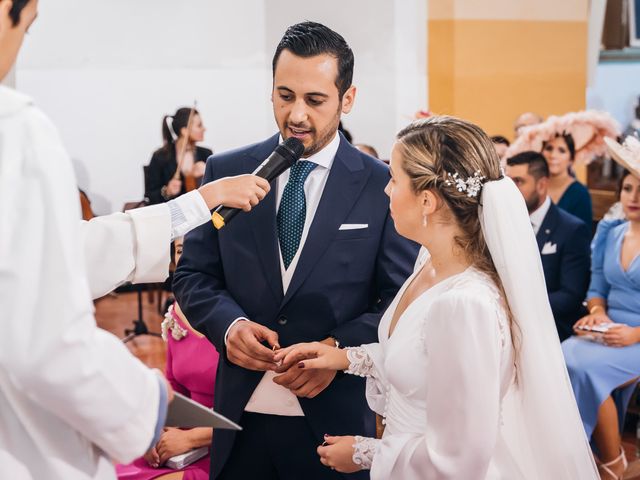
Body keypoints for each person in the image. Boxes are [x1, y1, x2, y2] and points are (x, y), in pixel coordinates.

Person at [0, 2, 268, 478]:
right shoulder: (16, 132)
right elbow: (44, 336)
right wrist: (144, 404)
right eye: (29, 24)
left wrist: (195, 203)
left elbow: (69, 253)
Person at [274, 115, 598, 479]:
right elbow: (423, 361)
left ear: (427, 200)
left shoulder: (464, 304)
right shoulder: (430, 263)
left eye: (394, 179)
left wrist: (366, 453)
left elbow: (458, 457)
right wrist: (344, 357)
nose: (386, 191)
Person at [173, 21, 419, 480]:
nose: (297, 115)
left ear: (347, 100)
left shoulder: (378, 184)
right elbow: (193, 275)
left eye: (315, 100)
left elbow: (399, 301)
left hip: (333, 426)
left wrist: (335, 352)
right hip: (238, 419)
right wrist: (230, 327)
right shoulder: (225, 170)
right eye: (285, 96)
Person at [562, 135, 640, 480]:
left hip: (636, 335)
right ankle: (577, 453)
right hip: (609, 328)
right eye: (627, 189)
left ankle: (611, 461)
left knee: (588, 372)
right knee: (560, 357)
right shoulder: (610, 230)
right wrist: (596, 314)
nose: (633, 199)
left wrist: (635, 333)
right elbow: (597, 288)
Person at [117, 237, 219, 480]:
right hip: (182, 440)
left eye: (196, 249)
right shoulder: (176, 312)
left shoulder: (242, 317)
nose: (186, 260)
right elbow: (174, 386)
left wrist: (190, 438)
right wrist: (159, 431)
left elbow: (251, 411)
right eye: (180, 250)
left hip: (223, 443)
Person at [506, 151, 591, 341]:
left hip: (550, 327)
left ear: (542, 184)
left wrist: (518, 308)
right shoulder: (501, 224)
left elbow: (571, 295)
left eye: (518, 182)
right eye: (507, 182)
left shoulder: (572, 230)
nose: (510, 190)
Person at [146, 108, 212, 205]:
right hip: (171, 215)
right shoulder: (159, 157)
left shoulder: (206, 154)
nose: (204, 129)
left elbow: (217, 191)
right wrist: (167, 191)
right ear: (184, 131)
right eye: (199, 125)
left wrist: (207, 174)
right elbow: (150, 196)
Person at [541, 133, 593, 227]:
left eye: (562, 150)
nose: (553, 155)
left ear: (571, 159)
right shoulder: (534, 186)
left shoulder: (580, 193)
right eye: (549, 148)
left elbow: (583, 234)